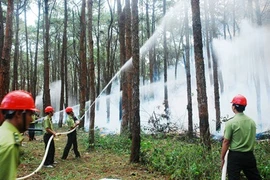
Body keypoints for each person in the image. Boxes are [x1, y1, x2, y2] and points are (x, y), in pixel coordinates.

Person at [221, 94, 261, 180]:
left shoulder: (230, 123)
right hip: (249, 156)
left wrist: (222, 158)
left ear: (234, 107)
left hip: (235, 156)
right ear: (244, 107)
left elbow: (226, 142)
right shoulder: (252, 122)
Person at [0, 90, 39, 180]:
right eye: (30, 114)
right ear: (18, 114)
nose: (32, 119)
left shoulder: (3, 133)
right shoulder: (9, 145)